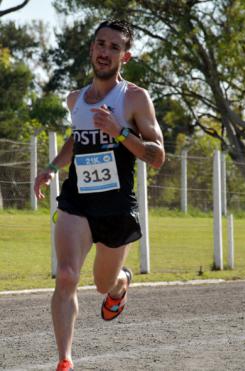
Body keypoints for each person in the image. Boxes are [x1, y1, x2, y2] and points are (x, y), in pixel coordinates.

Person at [33, 19, 165, 371]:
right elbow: (77, 139)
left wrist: (119, 132)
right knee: (65, 275)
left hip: (116, 206)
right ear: (91, 49)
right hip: (77, 199)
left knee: (101, 284)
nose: (105, 52)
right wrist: (52, 166)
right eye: (101, 44)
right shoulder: (75, 98)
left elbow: (158, 156)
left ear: (126, 56)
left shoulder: (134, 98)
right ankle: (65, 360)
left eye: (114, 47)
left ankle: (121, 284)